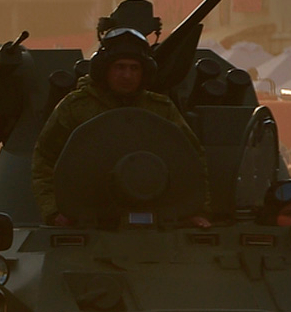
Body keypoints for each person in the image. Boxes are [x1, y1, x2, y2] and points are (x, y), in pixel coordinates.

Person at [31, 27, 207, 227]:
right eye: (119, 67)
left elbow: (191, 158)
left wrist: (195, 209)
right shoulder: (76, 107)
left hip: (154, 215)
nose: (127, 75)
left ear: (145, 72)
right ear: (104, 69)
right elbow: (44, 159)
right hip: (89, 218)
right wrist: (54, 210)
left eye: (134, 68)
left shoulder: (160, 109)